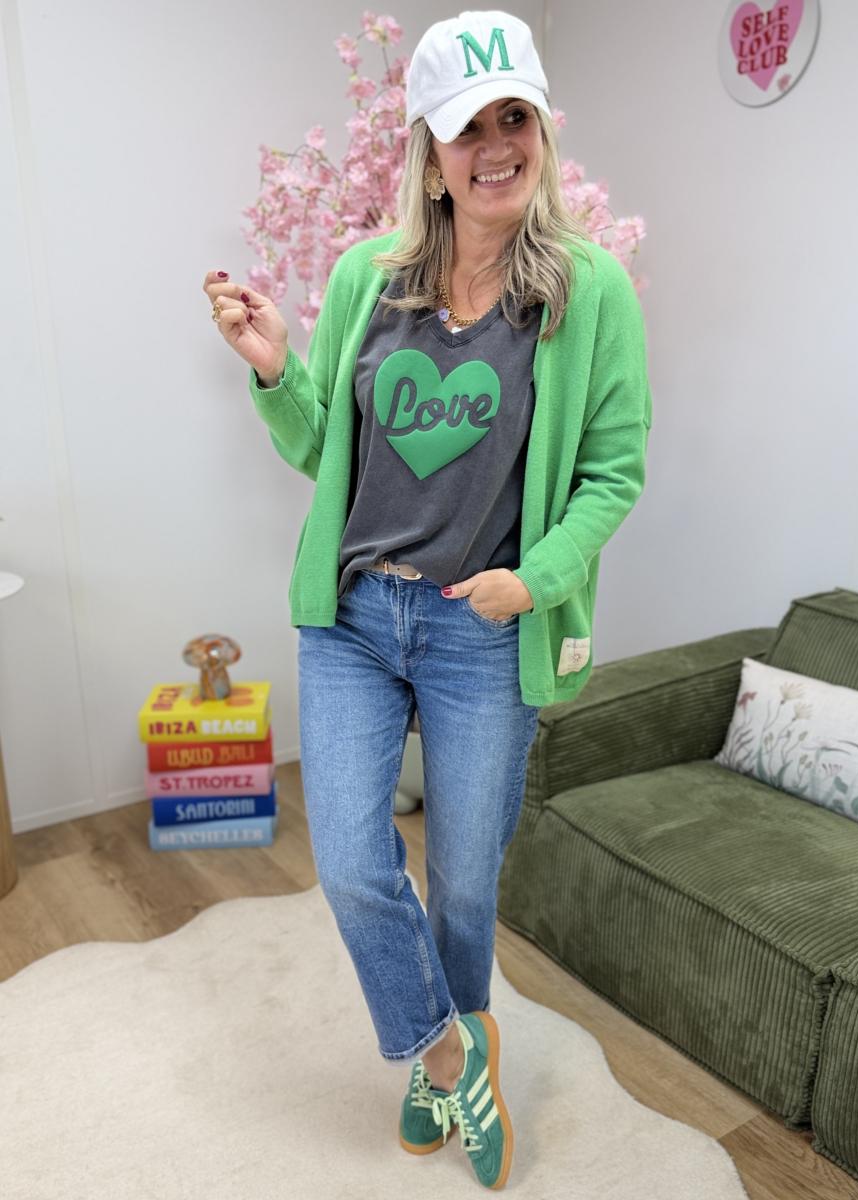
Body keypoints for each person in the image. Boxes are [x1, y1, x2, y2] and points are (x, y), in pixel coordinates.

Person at [202, 9, 652, 1190]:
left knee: (462, 877)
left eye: (516, 118)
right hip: (356, 617)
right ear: (428, 150)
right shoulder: (369, 277)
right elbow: (326, 451)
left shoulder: (589, 290)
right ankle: (451, 1050)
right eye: (468, 127)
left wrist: (536, 580)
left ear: (541, 129)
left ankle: (440, 1056)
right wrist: (275, 371)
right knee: (353, 862)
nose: (496, 146)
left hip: (481, 627)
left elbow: (614, 473)